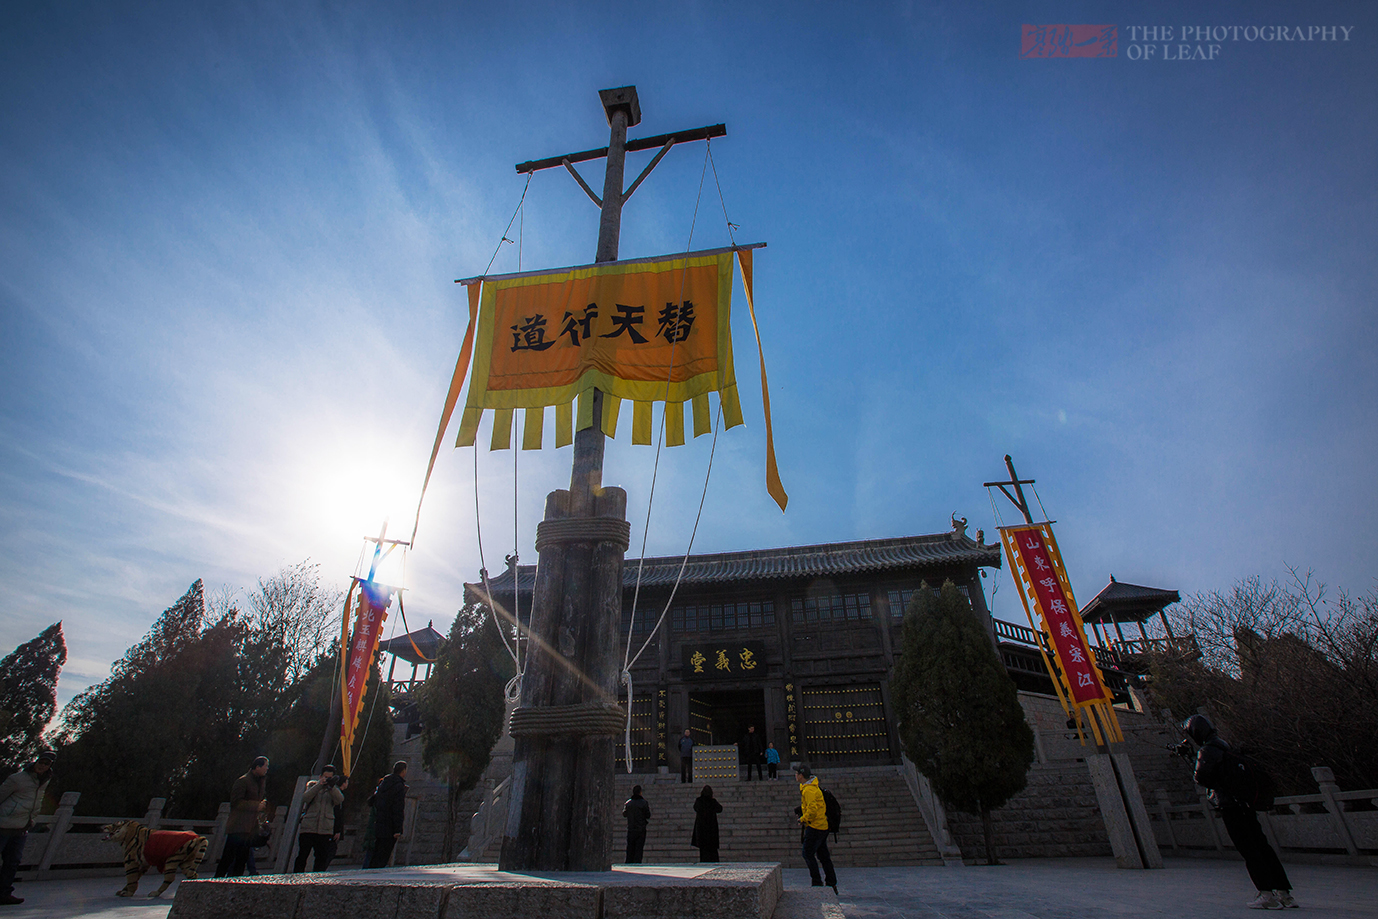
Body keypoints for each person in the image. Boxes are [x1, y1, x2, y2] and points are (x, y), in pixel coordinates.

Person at [1183, 715, 1295, 909]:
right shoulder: (1226, 747)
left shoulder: (1208, 750)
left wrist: (1192, 759)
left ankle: (1266, 894)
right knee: (1262, 846)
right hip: (1245, 804)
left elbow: (1201, 778)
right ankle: (1284, 894)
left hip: (1231, 806)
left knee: (1249, 850)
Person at [0, 750, 55, 906]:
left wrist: (33, 819)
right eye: (41, 762)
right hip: (4, 825)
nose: (42, 766)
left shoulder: (44, 781)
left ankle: (4, 893)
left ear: (50, 766)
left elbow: (36, 802)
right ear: (35, 762)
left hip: (22, 827)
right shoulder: (17, 779)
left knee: (13, 862)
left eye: (46, 764)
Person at [215, 756, 268, 878]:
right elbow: (236, 802)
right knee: (228, 857)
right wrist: (256, 806)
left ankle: (236, 882)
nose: (267, 769)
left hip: (250, 828)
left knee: (242, 859)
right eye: (265, 766)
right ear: (257, 767)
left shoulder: (259, 782)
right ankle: (217, 880)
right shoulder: (243, 781)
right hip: (238, 826)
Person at [293, 765, 345, 873]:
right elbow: (305, 798)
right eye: (325, 776)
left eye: (329, 777)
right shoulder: (313, 785)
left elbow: (340, 800)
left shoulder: (333, 790)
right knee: (302, 855)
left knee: (321, 858)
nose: (327, 779)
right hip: (309, 827)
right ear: (321, 776)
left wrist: (331, 787)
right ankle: (296, 876)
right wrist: (319, 785)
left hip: (325, 829)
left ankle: (317, 878)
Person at [795, 764, 836, 893]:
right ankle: (831, 883)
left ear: (801, 775)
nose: (795, 775)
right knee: (823, 855)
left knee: (807, 853)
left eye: (796, 773)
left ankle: (817, 883)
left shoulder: (809, 790)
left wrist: (802, 819)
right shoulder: (810, 787)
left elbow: (812, 810)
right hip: (822, 825)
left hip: (815, 826)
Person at [364, 761, 408, 868]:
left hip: (379, 822)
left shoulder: (384, 783)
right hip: (390, 825)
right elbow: (398, 808)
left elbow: (373, 801)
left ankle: (370, 874)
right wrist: (398, 828)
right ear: (403, 771)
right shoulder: (399, 786)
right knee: (384, 854)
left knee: (377, 852)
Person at [690, 785, 721, 862]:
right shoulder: (712, 801)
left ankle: (704, 860)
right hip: (711, 828)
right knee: (712, 848)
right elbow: (720, 809)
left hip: (702, 828)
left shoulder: (699, 801)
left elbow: (695, 808)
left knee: (703, 849)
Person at [622, 784, 651, 864]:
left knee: (630, 847)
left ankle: (629, 861)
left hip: (631, 828)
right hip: (641, 829)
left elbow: (624, 814)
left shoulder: (628, 803)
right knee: (639, 848)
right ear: (640, 792)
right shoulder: (644, 803)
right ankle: (637, 862)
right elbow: (648, 815)